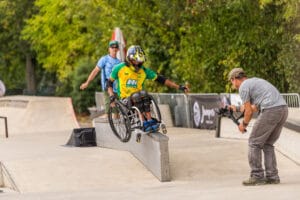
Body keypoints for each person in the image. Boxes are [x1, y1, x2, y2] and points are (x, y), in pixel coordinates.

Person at [107, 45, 189, 132]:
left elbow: (161, 79)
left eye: (139, 61)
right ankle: (143, 122)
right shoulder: (119, 68)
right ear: (129, 59)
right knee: (137, 96)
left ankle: (149, 120)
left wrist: (178, 87)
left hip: (140, 96)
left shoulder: (144, 71)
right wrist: (112, 96)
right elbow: (109, 83)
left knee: (144, 94)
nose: (137, 63)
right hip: (125, 99)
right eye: (135, 61)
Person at [228, 68, 288, 186]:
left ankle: (257, 176)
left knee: (254, 142)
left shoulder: (243, 87)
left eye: (231, 82)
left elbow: (249, 112)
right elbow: (253, 107)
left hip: (271, 110)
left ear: (234, 79)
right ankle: (272, 176)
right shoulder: (254, 82)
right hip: (283, 109)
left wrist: (243, 124)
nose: (233, 85)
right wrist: (237, 108)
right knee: (267, 144)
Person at [80, 40, 121, 117]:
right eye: (112, 47)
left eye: (116, 47)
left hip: (117, 89)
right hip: (107, 88)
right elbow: (95, 71)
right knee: (108, 111)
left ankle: (115, 128)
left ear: (118, 49)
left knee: (117, 113)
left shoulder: (119, 62)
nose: (114, 49)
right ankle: (107, 126)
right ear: (109, 49)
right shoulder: (104, 59)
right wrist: (87, 82)